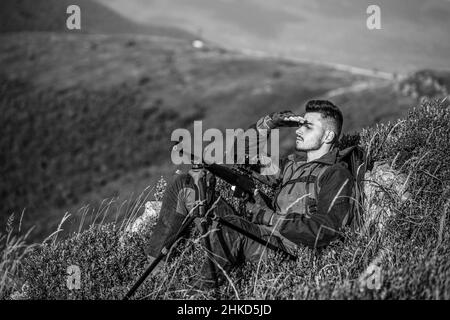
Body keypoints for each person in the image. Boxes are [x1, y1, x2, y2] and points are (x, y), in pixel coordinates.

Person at [145, 100, 354, 293]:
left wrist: (268, 217)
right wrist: (269, 123)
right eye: (301, 124)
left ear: (328, 136)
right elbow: (241, 156)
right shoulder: (290, 166)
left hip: (288, 251)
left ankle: (194, 298)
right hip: (262, 233)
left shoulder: (335, 174)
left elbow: (326, 230)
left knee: (232, 227)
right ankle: (154, 278)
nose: (298, 130)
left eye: (308, 126)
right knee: (185, 185)